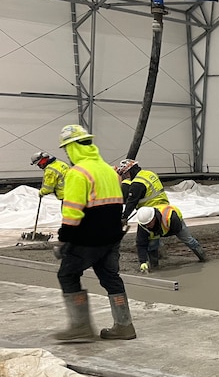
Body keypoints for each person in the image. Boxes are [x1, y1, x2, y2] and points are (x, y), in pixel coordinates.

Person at [53, 124, 136, 341]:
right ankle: (124, 326)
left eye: (66, 149)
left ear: (72, 148)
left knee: (68, 275)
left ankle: (81, 328)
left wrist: (63, 240)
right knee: (110, 277)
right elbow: (117, 204)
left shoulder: (78, 173)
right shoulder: (109, 171)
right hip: (112, 237)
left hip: (87, 239)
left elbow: (72, 212)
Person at [135, 204, 208, 273]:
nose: (147, 226)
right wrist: (143, 262)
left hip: (174, 226)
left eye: (149, 224)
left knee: (189, 240)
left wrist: (159, 234)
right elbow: (141, 244)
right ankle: (154, 267)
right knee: (152, 246)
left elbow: (177, 230)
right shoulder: (143, 225)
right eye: (145, 225)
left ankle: (203, 258)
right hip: (158, 230)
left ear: (154, 218)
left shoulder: (171, 217)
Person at [116, 159, 170, 224]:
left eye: (126, 174)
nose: (127, 176)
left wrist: (124, 217)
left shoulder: (137, 183)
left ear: (131, 171)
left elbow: (132, 202)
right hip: (164, 206)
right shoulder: (149, 173)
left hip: (151, 210)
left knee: (144, 231)